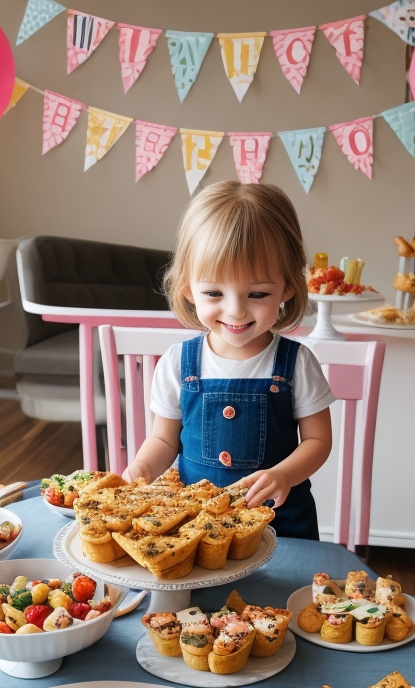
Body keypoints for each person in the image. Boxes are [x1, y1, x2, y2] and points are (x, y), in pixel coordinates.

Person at [123, 180, 334, 539]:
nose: (235, 311)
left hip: (282, 526)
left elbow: (318, 442)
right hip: (198, 527)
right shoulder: (177, 363)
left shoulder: (297, 363)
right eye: (214, 292)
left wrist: (284, 474)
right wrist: (142, 467)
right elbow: (164, 440)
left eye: (257, 293)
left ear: (286, 288)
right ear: (188, 287)